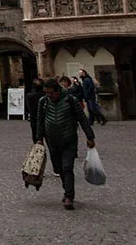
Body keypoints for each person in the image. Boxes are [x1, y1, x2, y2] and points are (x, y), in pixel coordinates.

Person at [34, 78, 96, 210]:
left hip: (69, 139)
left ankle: (69, 196)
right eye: (46, 93)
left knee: (67, 167)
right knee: (59, 168)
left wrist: (90, 136)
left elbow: (82, 119)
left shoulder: (70, 100)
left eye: (51, 93)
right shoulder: (43, 102)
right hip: (52, 140)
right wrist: (39, 138)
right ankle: (66, 189)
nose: (49, 95)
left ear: (57, 91)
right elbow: (39, 120)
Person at [25, 76, 44, 143]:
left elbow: (28, 107)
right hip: (45, 119)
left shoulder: (30, 95)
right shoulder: (45, 95)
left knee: (37, 140)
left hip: (34, 120)